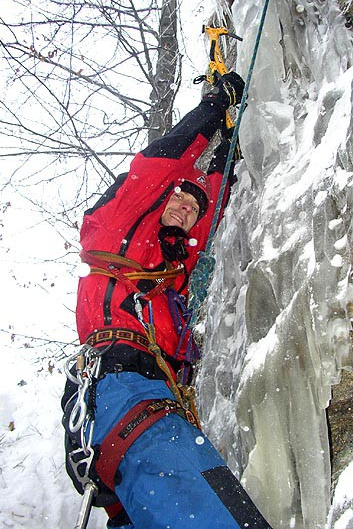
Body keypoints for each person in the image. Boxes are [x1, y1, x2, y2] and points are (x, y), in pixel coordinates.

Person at [61, 72, 273, 528]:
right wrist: (214, 108)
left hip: (143, 400)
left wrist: (229, 151)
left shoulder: (173, 269)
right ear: (158, 200)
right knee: (209, 507)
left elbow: (211, 209)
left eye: (192, 208)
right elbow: (161, 164)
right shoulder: (118, 230)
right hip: (123, 389)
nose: (185, 208)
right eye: (178, 199)